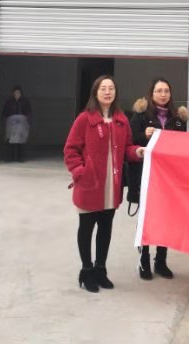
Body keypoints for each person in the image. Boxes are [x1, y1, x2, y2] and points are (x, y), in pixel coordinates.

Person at [64, 75, 145, 293]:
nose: (107, 92)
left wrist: (137, 151)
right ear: (95, 92)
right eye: (103, 88)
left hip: (112, 185)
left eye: (111, 88)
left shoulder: (121, 119)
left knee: (105, 228)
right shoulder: (84, 119)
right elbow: (70, 149)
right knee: (86, 227)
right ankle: (86, 270)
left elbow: (127, 148)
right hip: (89, 184)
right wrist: (79, 172)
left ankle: (101, 269)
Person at [130, 78, 188, 280]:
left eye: (166, 91)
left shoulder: (178, 118)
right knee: (146, 218)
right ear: (151, 93)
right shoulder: (140, 115)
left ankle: (161, 261)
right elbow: (130, 141)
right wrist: (143, 136)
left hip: (169, 178)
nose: (163, 94)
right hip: (147, 176)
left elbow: (183, 147)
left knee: (166, 219)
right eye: (158, 91)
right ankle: (144, 259)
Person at [3, 85, 32, 162]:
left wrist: (28, 120)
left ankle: (20, 158)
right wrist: (5, 120)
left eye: (18, 92)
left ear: (21, 93)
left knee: (20, 140)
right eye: (15, 92)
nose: (17, 94)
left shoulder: (25, 101)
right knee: (10, 140)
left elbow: (29, 111)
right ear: (13, 93)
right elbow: (5, 112)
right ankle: (10, 158)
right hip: (11, 123)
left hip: (21, 123)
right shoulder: (9, 101)